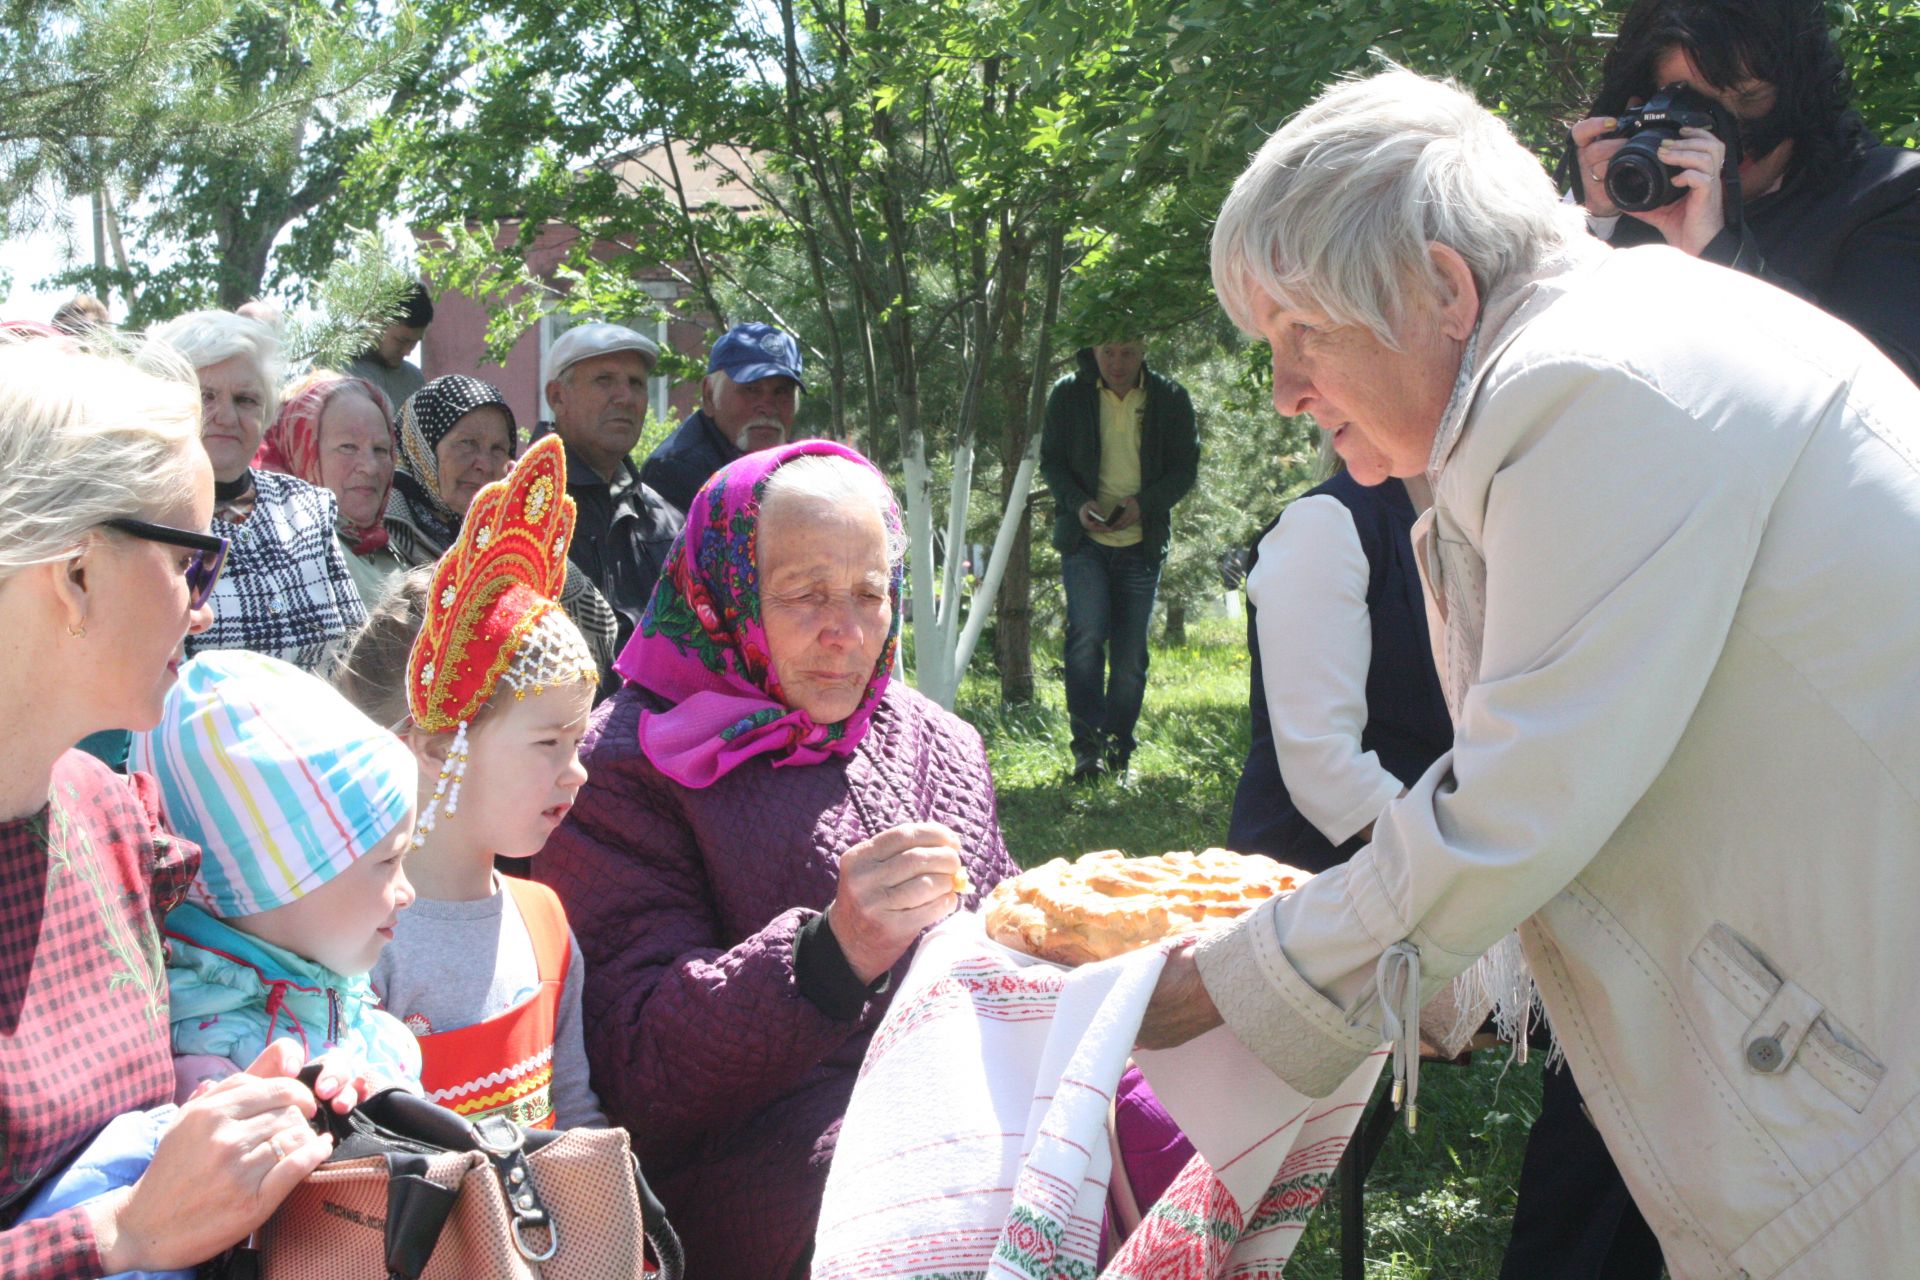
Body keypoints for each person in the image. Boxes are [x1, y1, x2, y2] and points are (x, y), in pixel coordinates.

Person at [1138, 66, 1920, 1277]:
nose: (1287, 393)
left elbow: (1514, 807)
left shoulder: (1588, 385)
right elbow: (1605, 775)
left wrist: (1206, 988)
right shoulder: (1621, 341)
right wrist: (1441, 985)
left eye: (1303, 336)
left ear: (1443, 289)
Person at [536, 440, 1015, 1277]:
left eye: (871, 594)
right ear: (722, 591)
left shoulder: (940, 744)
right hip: (763, 1167)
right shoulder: (624, 767)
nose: (847, 630)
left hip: (957, 1106)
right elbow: (638, 1067)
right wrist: (831, 956)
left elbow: (1009, 942)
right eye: (805, 595)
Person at [0, 336, 370, 1278]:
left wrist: (230, 1124)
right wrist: (119, 1234)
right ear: (76, 574)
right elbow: (129, 1225)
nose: (206, 609)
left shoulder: (113, 818)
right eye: (195, 563)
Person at [336, 436, 609, 1131]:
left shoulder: (546, 921)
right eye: (549, 743)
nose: (576, 771)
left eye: (577, 742)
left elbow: (573, 1116)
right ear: (434, 747)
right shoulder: (362, 940)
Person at [1568, 0, 1920, 382]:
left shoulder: (1891, 191)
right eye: (1688, 102)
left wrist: (1722, 254)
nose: (1718, 131)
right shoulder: (1628, 190)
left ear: (1800, 89)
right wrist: (1589, 223)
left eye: (1748, 99)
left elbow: (1888, 389)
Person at [127, 649, 421, 1095]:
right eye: (388, 862)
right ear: (275, 881)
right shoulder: (216, 1071)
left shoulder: (347, 1012)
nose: (407, 892)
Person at [1225, 457, 1451, 874]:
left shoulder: (1482, 526)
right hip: (1323, 886)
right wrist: (1471, 868)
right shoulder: (1324, 525)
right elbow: (1328, 771)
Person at [149, 310, 366, 673]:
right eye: (207, 396)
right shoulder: (150, 518)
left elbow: (356, 651)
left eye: (245, 399)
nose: (227, 416)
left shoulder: (308, 507)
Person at [383, 373, 620, 685]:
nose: (484, 463)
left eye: (499, 449)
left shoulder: (514, 537)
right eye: (466, 444)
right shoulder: (385, 534)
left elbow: (601, 635)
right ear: (423, 446)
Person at [1039, 339, 1199, 780]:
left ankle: (1118, 752)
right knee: (1086, 640)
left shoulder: (1169, 398)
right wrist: (1078, 503)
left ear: (1145, 347)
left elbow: (1186, 467)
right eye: (1109, 353)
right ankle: (1086, 752)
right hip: (1085, 541)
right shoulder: (1068, 394)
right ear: (1094, 350)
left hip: (1141, 541)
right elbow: (1051, 462)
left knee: (1130, 657)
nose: (1117, 363)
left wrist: (1143, 504)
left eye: (1128, 352)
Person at [532, 322, 684, 653]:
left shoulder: (667, 520)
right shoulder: (523, 508)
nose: (626, 398)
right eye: (604, 380)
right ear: (557, 396)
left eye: (636, 383)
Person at [259, 372, 406, 606]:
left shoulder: (394, 551)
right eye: (348, 447)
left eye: (380, 449)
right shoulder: (283, 557)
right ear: (300, 452)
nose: (370, 467)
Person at [639, 321, 804, 514]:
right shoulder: (675, 471)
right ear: (709, 396)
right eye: (751, 390)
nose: (768, 408)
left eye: (781, 392)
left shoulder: (804, 464)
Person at [345, 280, 434, 410]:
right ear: (376, 321)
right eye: (401, 340)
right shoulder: (333, 369)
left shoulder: (414, 380)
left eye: (415, 342)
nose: (408, 352)